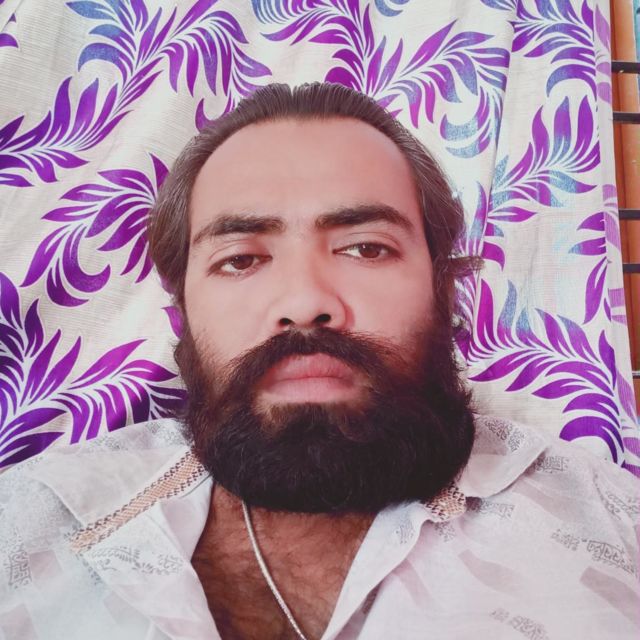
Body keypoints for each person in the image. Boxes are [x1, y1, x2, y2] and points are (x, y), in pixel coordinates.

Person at [0, 82, 638, 640]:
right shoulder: (26, 519)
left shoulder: (615, 524)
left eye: (365, 248)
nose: (305, 303)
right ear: (182, 312)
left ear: (443, 288)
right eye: (241, 259)